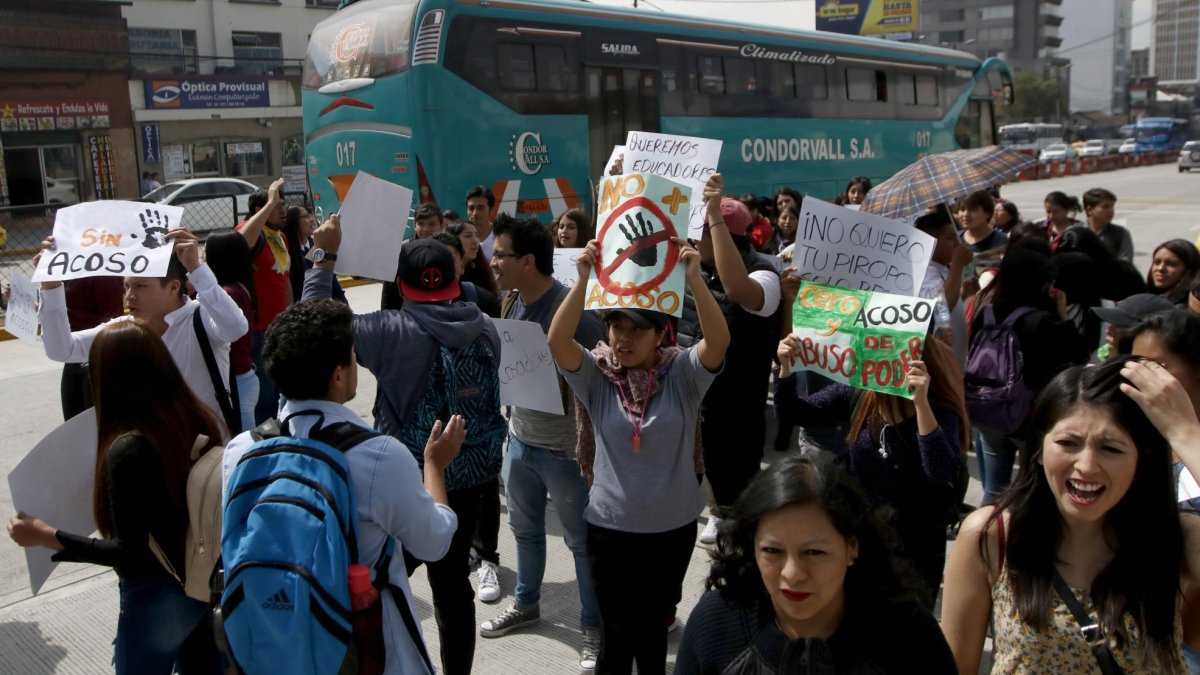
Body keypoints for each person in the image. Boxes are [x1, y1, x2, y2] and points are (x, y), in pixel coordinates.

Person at [304, 220, 506, 675]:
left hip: (407, 477)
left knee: (381, 577)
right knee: (454, 589)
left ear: (401, 285)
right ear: (456, 279)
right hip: (471, 476)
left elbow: (314, 326)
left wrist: (324, 256)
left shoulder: (388, 330)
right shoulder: (486, 327)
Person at [221, 299, 463, 675]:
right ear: (338, 375)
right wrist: (434, 466)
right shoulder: (379, 455)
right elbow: (434, 542)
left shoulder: (241, 450)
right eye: (352, 356)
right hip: (363, 644)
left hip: (271, 640)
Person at [547, 233, 729, 675]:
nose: (624, 339)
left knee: (652, 637)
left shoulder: (683, 374)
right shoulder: (598, 377)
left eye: (636, 329)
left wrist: (693, 277)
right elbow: (557, 341)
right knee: (615, 640)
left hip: (672, 531)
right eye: (616, 327)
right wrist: (583, 279)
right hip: (610, 532)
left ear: (660, 333)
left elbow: (719, 341)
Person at [941, 357, 1192, 675]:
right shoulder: (992, 536)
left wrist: (1185, 434)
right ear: (1039, 451)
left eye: (1110, 449)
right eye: (1067, 443)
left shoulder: (1174, 537)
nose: (1086, 465)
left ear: (1143, 459)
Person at [8, 321, 223, 674]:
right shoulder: (197, 418)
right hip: (205, 582)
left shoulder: (130, 450)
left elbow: (131, 554)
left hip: (158, 594)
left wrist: (45, 536)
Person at [675, 455, 957, 674]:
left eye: (814, 552)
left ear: (851, 547)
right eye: (773, 550)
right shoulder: (714, 624)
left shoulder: (912, 639)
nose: (793, 574)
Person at [479, 214, 606, 671]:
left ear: (528, 261)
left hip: (564, 453)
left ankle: (593, 627)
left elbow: (599, 376)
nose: (492, 262)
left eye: (500, 255)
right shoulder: (511, 301)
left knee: (581, 544)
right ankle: (526, 603)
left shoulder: (572, 309)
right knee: (525, 533)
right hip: (520, 444)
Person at [776, 333, 968, 607]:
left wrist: (921, 404)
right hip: (863, 539)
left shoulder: (940, 410)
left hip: (917, 550)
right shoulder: (858, 394)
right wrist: (785, 369)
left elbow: (939, 471)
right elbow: (794, 414)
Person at [38, 230, 248, 440]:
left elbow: (236, 327)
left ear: (174, 287)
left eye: (140, 285)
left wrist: (196, 268)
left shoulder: (201, 318)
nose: (130, 295)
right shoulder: (125, 330)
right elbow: (63, 349)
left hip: (207, 457)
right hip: (152, 457)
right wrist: (50, 286)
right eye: (127, 286)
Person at [677, 174, 782, 546]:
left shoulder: (765, 275)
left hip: (738, 404)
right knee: (704, 468)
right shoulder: (691, 270)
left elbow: (737, 290)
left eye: (700, 231)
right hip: (697, 398)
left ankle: (736, 525)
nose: (692, 238)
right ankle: (718, 512)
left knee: (737, 479)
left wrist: (714, 215)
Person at [970, 248, 1089, 502]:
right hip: (1029, 416)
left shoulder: (987, 313)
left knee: (993, 488)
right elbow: (1079, 357)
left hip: (989, 408)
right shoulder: (1040, 321)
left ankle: (984, 537)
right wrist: (1063, 316)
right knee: (1032, 487)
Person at [235, 177, 291, 424]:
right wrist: (269, 201)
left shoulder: (280, 237)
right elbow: (241, 241)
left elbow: (284, 279)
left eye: (283, 205)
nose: (283, 210)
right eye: (278, 206)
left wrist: (291, 316)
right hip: (257, 331)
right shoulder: (251, 232)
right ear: (260, 210)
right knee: (264, 396)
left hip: (278, 327)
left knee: (280, 391)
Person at [202, 232, 258, 433]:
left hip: (237, 381)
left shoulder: (228, 294)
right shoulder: (240, 287)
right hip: (244, 375)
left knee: (244, 447)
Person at [57, 276, 125, 419]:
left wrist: (61, 314)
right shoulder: (65, 266)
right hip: (74, 357)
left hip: (99, 357)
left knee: (96, 426)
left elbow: (111, 319)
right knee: (73, 424)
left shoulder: (102, 271)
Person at [916, 209, 975, 366]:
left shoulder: (943, 267)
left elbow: (948, 302)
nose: (957, 242)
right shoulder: (925, 272)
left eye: (957, 236)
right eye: (950, 238)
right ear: (930, 241)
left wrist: (962, 294)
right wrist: (957, 265)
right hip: (941, 365)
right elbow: (940, 308)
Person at [380, 202, 449, 311]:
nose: (426, 229)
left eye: (431, 224)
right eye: (421, 224)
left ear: (441, 226)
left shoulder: (448, 250)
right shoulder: (402, 251)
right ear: (414, 225)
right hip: (409, 316)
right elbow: (389, 291)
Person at [283, 204, 346, 305]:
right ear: (293, 222)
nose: (312, 220)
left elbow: (332, 281)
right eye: (306, 217)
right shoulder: (287, 254)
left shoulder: (315, 246)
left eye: (310, 215)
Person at [1091, 293, 1176, 362]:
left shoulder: (1149, 379)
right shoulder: (1100, 358)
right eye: (1112, 323)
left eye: (1122, 326)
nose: (1109, 330)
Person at [447, 220, 499, 298]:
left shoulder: (481, 271)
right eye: (468, 236)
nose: (475, 241)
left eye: (476, 235)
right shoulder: (446, 271)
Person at [1083, 188, 1134, 262]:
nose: (1111, 210)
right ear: (1089, 210)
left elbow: (1125, 264)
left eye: (1112, 206)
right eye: (1105, 206)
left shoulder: (1121, 234)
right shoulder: (1074, 233)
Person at [1147, 239, 1200, 306]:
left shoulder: (1189, 307)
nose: (1160, 268)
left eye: (1171, 264)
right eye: (1157, 262)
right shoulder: (1146, 298)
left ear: (1188, 270)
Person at [465, 185, 497, 259]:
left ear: (491, 210)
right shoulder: (461, 239)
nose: (475, 213)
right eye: (471, 208)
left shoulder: (500, 236)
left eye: (480, 208)